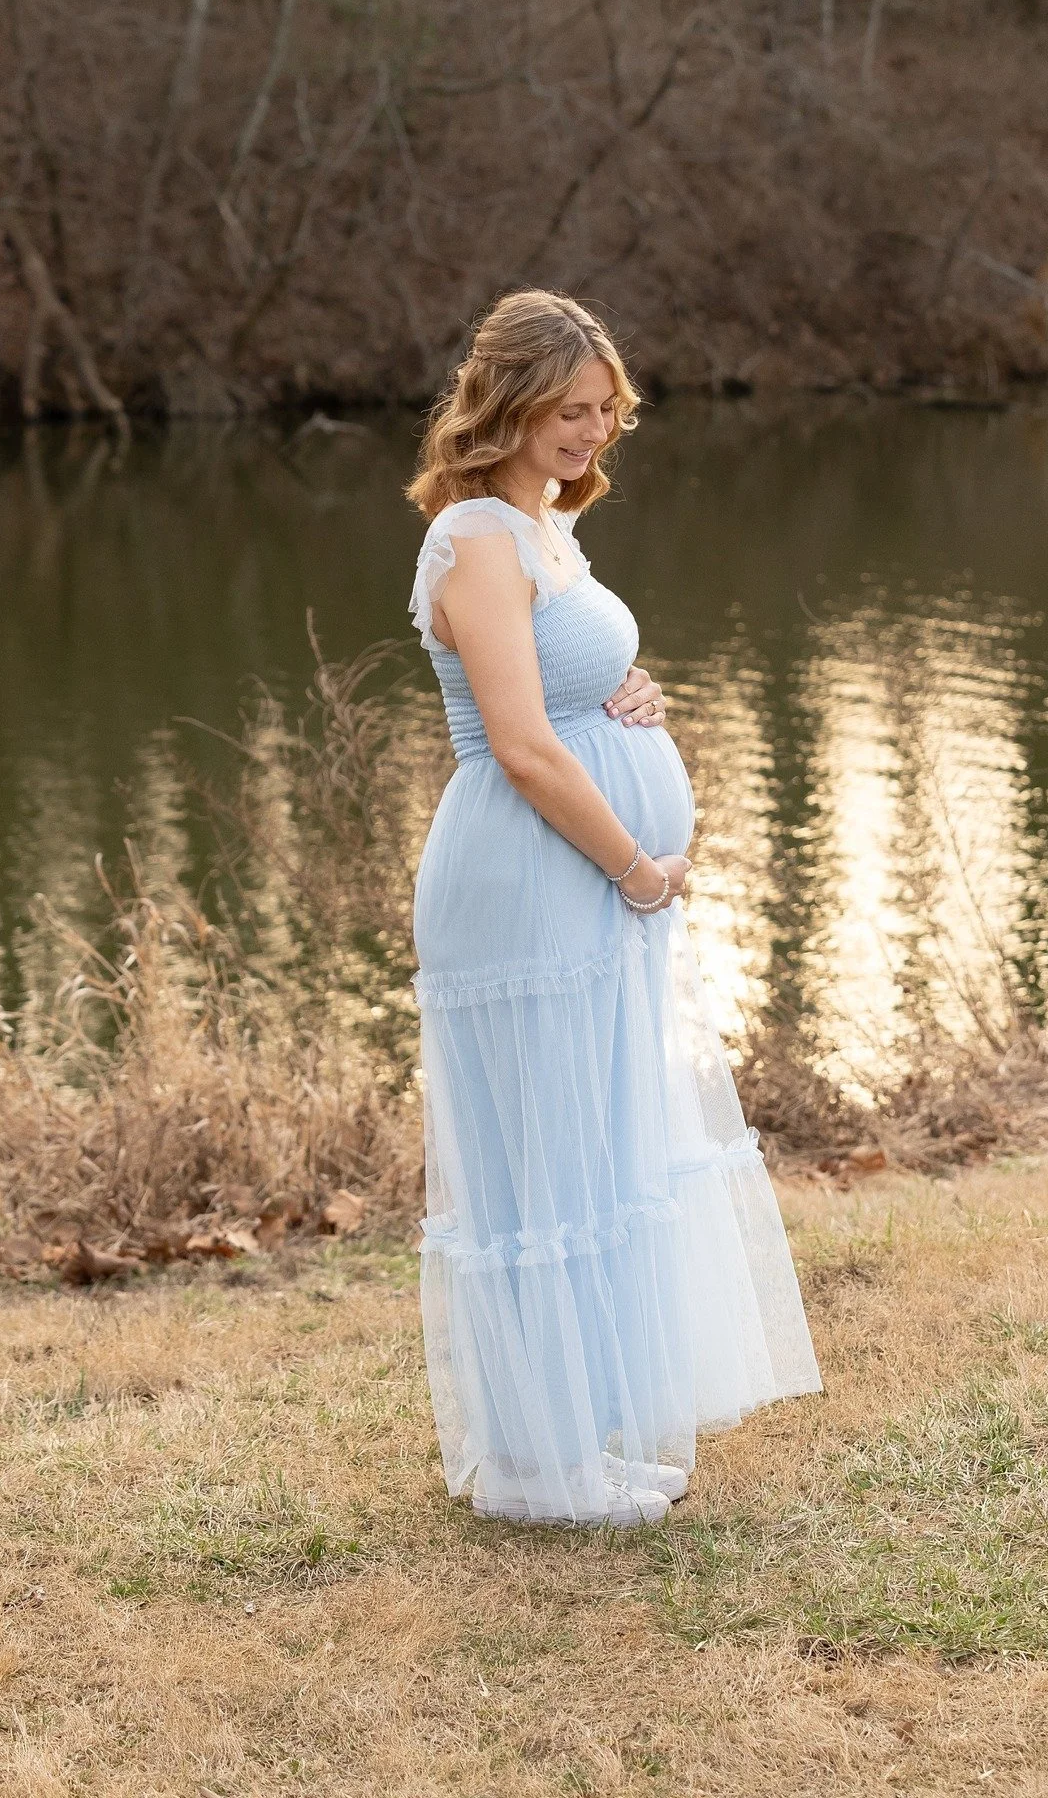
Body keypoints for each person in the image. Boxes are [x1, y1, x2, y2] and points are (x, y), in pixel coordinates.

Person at [406, 289, 820, 1527]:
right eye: (570, 410)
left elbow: (562, 687)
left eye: (605, 411)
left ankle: (577, 1434)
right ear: (509, 402)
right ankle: (539, 1466)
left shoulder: (539, 527)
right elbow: (524, 748)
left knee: (595, 1150)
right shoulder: (474, 533)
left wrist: (629, 690)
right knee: (543, 1163)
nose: (594, 432)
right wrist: (636, 868)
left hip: (582, 883)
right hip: (535, 880)